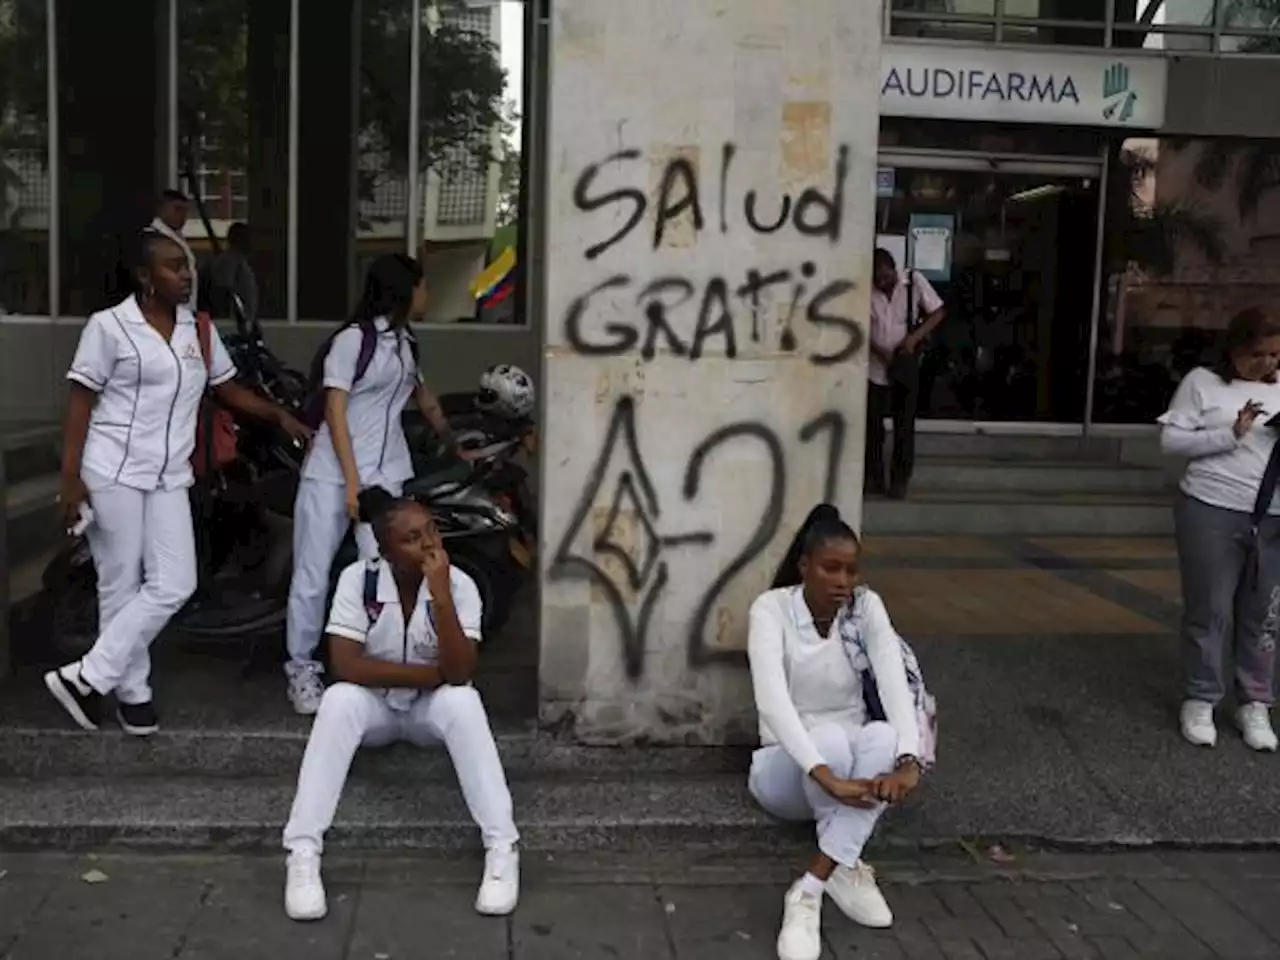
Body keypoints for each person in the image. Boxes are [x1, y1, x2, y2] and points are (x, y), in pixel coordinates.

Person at [44, 229, 311, 736]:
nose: (185, 275)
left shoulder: (197, 330)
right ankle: (133, 694)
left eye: (186, 265)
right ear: (145, 277)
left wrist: (277, 415)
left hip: (169, 474)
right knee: (120, 582)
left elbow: (227, 387)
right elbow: (80, 401)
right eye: (172, 266)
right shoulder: (109, 327)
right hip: (113, 468)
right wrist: (71, 478)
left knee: (175, 582)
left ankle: (87, 676)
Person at [281, 489, 519, 922]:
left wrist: (441, 598)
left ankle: (502, 848)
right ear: (387, 552)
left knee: (464, 702)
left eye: (431, 531)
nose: (429, 544)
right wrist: (429, 677)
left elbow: (461, 672)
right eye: (412, 538)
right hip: (376, 711)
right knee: (336, 700)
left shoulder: (459, 585)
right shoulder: (360, 580)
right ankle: (303, 853)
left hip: (431, 715)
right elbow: (345, 664)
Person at [748, 504, 923, 960]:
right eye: (831, 568)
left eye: (851, 569)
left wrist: (910, 760)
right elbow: (773, 703)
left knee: (884, 737)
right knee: (826, 738)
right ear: (805, 566)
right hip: (786, 771)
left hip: (854, 767)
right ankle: (844, 856)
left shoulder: (866, 609)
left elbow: (893, 680)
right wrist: (825, 775)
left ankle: (813, 887)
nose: (843, 580)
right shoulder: (771, 610)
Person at [284, 254, 457, 714]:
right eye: (424, 286)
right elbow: (335, 413)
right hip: (332, 475)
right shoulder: (352, 342)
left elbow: (424, 398)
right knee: (312, 576)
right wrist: (352, 483)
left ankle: (382, 666)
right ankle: (301, 669)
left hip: (388, 472)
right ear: (405, 289)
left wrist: (455, 444)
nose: (428, 295)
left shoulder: (405, 344)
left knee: (385, 570)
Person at [1160, 306, 1280, 752]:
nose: (1267, 363)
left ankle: (1255, 701)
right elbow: (1172, 442)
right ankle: (1201, 696)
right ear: (1234, 349)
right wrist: (1231, 434)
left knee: (1263, 615)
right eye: (1257, 354)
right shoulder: (1202, 383)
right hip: (1210, 507)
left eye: (1274, 355)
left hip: (1272, 515)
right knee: (1209, 609)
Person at [865, 248, 945, 500]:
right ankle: (874, 477)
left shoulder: (914, 282)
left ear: (893, 271)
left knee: (903, 425)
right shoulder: (866, 290)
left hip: (904, 360)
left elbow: (938, 312)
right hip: (875, 364)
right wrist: (879, 351)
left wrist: (913, 339)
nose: (882, 283)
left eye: (886, 277)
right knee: (872, 426)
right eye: (877, 279)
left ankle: (899, 479)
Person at [150, 189, 198, 309]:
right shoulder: (152, 237)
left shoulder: (178, 237)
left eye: (185, 211)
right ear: (160, 209)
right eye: (177, 209)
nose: (182, 215)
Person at [208, 222, 259, 325]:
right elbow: (224, 291)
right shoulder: (228, 260)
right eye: (249, 238)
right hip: (233, 323)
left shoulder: (241, 260)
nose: (253, 242)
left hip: (245, 320)